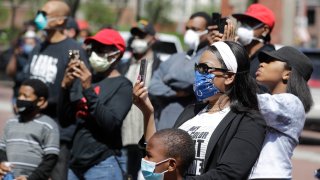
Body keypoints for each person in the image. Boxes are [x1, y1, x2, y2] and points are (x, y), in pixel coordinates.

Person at [134, 41, 266, 179]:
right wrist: (147, 112)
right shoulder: (192, 111)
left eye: (204, 69)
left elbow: (229, 174)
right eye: (197, 68)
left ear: (229, 77)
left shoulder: (248, 120)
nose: (198, 74)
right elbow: (160, 153)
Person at [59, 28, 132, 179]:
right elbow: (65, 119)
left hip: (103, 163)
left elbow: (110, 124)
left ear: (116, 54)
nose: (95, 53)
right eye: (94, 48)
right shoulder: (85, 78)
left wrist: (88, 89)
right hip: (76, 162)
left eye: (102, 49)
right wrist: (65, 88)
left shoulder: (123, 85)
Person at [26, 1, 88, 179]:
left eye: (45, 14)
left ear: (61, 21)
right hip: (31, 127)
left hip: (58, 132)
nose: (40, 18)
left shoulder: (73, 50)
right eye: (39, 13)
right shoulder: (39, 47)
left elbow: (76, 94)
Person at [249, 46, 313, 179]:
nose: (261, 64)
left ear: (287, 74)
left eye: (270, 61)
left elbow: (249, 100)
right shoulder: (272, 99)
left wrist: (232, 64)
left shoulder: (292, 103)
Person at [148, 12, 211, 130]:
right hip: (163, 127)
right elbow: (153, 86)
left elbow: (190, 80)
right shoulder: (176, 57)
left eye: (195, 29)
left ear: (208, 32)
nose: (189, 32)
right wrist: (175, 92)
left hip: (188, 129)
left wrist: (167, 78)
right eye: (187, 28)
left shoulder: (209, 57)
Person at [117, 19, 161, 179]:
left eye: (142, 35)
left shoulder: (159, 66)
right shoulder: (123, 65)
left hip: (147, 137)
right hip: (124, 136)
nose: (137, 39)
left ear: (153, 39)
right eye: (135, 35)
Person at [0, 79, 60, 180]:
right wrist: (2, 164)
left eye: (26, 96)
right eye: (19, 95)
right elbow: (2, 149)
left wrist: (32, 178)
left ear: (40, 101)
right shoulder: (11, 123)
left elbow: (50, 158)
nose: (20, 99)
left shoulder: (48, 125)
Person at [232, 3, 276, 78]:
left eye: (250, 23)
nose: (244, 27)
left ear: (265, 30)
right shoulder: (239, 53)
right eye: (243, 23)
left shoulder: (269, 59)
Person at [6, 30, 39, 113]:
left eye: (31, 43)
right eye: (27, 43)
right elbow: (10, 72)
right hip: (18, 92)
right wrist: (15, 55)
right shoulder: (18, 55)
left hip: (32, 95)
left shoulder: (38, 56)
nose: (29, 46)